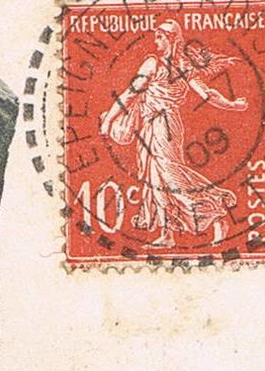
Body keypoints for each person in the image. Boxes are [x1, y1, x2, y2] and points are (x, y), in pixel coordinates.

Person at [98, 20, 250, 248]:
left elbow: (206, 93)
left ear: (171, 39)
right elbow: (130, 93)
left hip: (165, 126)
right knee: (154, 179)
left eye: (159, 37)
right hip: (150, 125)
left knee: (170, 176)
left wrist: (233, 105)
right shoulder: (162, 64)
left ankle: (217, 214)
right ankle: (167, 233)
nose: (155, 42)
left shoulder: (168, 65)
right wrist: (109, 119)